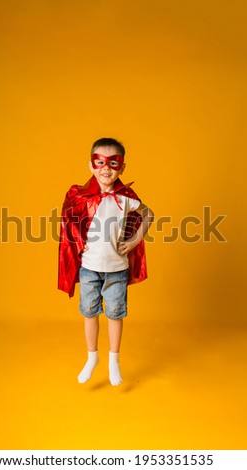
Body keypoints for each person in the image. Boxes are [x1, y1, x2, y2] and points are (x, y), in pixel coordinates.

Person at [58, 137, 154, 386]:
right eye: (99, 162)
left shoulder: (126, 198)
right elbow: (68, 219)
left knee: (114, 314)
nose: (105, 168)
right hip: (89, 268)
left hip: (116, 270)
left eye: (113, 163)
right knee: (89, 313)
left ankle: (113, 360)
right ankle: (92, 357)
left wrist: (133, 241)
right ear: (91, 165)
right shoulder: (80, 196)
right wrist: (79, 241)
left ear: (122, 167)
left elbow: (148, 214)